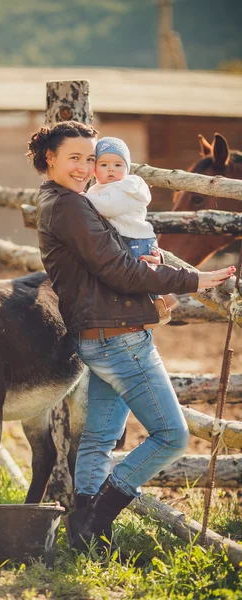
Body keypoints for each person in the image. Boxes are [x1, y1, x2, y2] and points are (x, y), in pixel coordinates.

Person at [26, 120, 235, 556]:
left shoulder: (66, 201)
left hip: (102, 335)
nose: (85, 168)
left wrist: (148, 262)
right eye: (75, 159)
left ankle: (84, 537)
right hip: (120, 340)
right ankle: (97, 518)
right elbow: (119, 269)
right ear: (50, 158)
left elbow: (111, 258)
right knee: (172, 436)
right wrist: (193, 279)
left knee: (100, 440)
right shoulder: (69, 207)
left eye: (90, 159)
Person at [85, 136, 177, 326]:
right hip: (128, 238)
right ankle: (159, 303)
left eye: (118, 164)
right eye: (103, 164)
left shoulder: (126, 187)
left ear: (127, 168)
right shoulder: (99, 189)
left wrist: (80, 199)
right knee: (140, 276)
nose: (111, 169)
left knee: (138, 277)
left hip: (136, 240)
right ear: (94, 169)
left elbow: (109, 208)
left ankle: (159, 306)